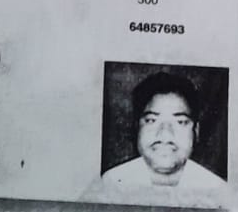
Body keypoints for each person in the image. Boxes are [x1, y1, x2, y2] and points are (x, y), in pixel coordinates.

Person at [97, 70, 228, 203]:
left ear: (196, 131)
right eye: (151, 120)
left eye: (180, 122)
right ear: (136, 128)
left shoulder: (217, 192)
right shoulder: (110, 185)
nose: (165, 134)